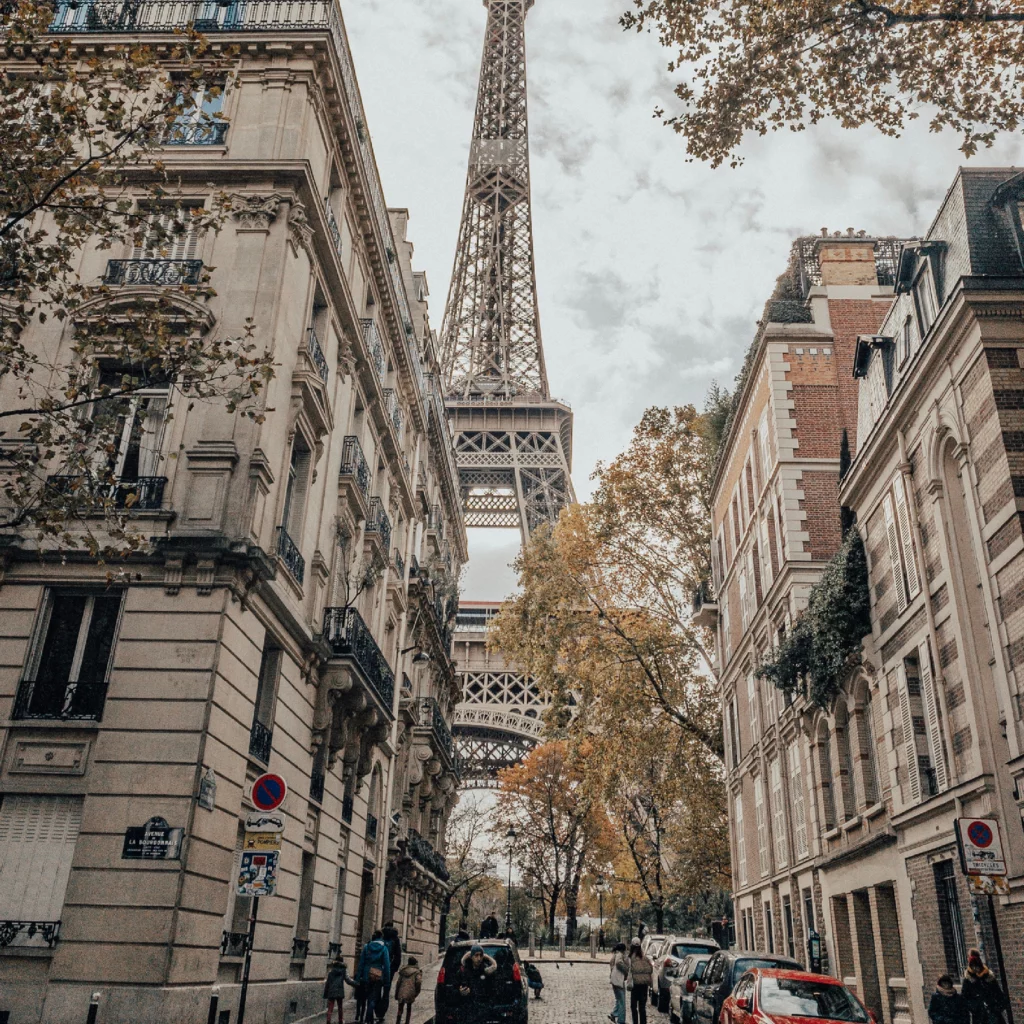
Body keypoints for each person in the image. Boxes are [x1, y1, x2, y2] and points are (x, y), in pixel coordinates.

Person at [962, 949, 1008, 1024]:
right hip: (979, 1016)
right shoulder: (968, 980)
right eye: (973, 966)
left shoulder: (989, 977)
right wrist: (975, 1007)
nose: (975, 969)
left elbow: (1000, 995)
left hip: (993, 1014)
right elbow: (965, 999)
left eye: (976, 966)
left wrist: (997, 1008)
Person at [356, 930, 392, 1023]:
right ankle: (369, 1018)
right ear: (381, 937)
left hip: (366, 974)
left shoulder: (367, 947)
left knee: (368, 997)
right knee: (373, 998)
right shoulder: (384, 949)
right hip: (377, 975)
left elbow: (361, 963)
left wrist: (357, 978)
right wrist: (387, 982)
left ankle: (369, 1018)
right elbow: (387, 966)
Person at [456, 943, 498, 1022]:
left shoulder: (486, 971)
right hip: (467, 1011)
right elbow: (454, 987)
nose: (479, 958)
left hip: (483, 1011)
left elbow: (493, 990)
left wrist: (487, 957)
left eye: (481, 955)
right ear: (471, 957)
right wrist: (460, 992)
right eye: (476, 955)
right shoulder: (463, 971)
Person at [379, 921, 402, 1020]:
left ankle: (376, 1010)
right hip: (390, 968)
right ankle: (382, 1013)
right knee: (386, 990)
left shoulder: (381, 935)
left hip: (379, 967)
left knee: (377, 988)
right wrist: (394, 968)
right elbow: (398, 955)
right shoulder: (395, 938)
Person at [628, 937, 654, 1024]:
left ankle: (635, 1022)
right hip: (644, 985)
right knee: (642, 1007)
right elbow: (650, 969)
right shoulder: (645, 958)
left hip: (635, 985)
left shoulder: (631, 958)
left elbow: (629, 970)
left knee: (633, 1007)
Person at [393, 954, 423, 1024]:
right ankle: (407, 1022)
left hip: (401, 991)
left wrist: (396, 993)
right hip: (410, 992)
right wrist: (417, 992)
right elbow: (418, 982)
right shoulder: (417, 972)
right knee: (409, 1008)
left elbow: (398, 983)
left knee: (400, 1008)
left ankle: (398, 1021)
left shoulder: (403, 971)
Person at [324, 953, 351, 1024]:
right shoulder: (343, 971)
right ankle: (340, 1020)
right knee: (340, 1007)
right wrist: (356, 984)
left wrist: (326, 993)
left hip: (331, 990)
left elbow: (328, 983)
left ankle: (328, 1020)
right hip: (339, 990)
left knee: (330, 1007)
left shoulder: (331, 971)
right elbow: (348, 980)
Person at [608, 941, 629, 1024]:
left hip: (615, 979)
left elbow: (612, 964)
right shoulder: (619, 955)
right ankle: (621, 1021)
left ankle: (614, 1013)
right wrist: (626, 970)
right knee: (622, 1001)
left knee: (619, 999)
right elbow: (618, 963)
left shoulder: (615, 955)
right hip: (618, 980)